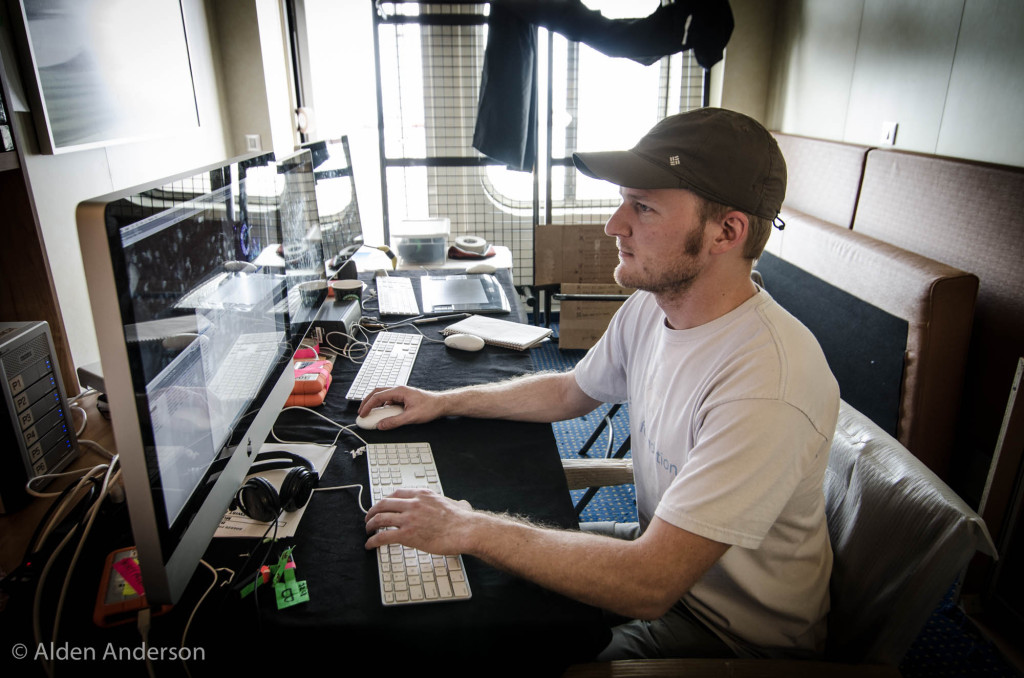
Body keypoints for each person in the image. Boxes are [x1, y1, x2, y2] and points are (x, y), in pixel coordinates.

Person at [359, 107, 840, 660]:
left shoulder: (765, 385)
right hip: (659, 557)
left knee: (501, 643)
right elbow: (569, 392)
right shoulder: (652, 307)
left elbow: (649, 584)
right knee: (484, 588)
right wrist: (444, 402)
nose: (614, 225)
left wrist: (468, 529)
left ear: (725, 231)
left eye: (644, 207)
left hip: (728, 635)